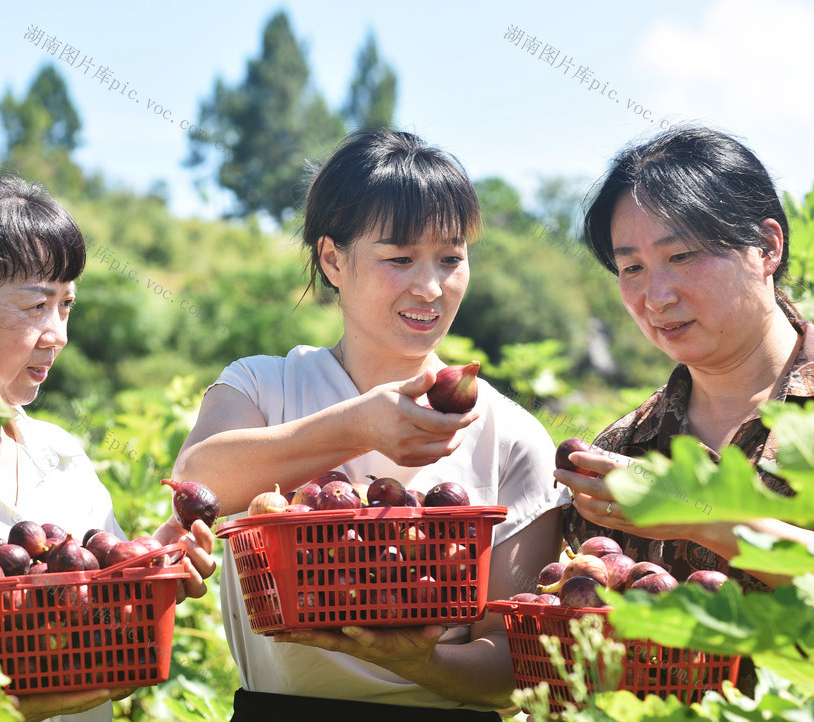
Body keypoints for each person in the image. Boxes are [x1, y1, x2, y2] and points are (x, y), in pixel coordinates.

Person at [173, 129, 570, 720]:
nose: (430, 286)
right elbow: (199, 482)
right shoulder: (263, 386)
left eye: (451, 258)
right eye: (400, 258)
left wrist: (417, 662)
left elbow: (517, 666)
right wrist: (358, 425)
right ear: (333, 259)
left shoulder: (509, 437)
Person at [0, 172, 218, 722]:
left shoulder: (61, 458)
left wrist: (143, 577)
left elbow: (105, 635)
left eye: (66, 305)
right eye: (35, 306)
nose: (58, 334)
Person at [555, 125, 814, 632]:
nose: (656, 296)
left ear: (766, 247)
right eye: (632, 268)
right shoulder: (624, 450)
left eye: (681, 256)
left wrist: (704, 516)